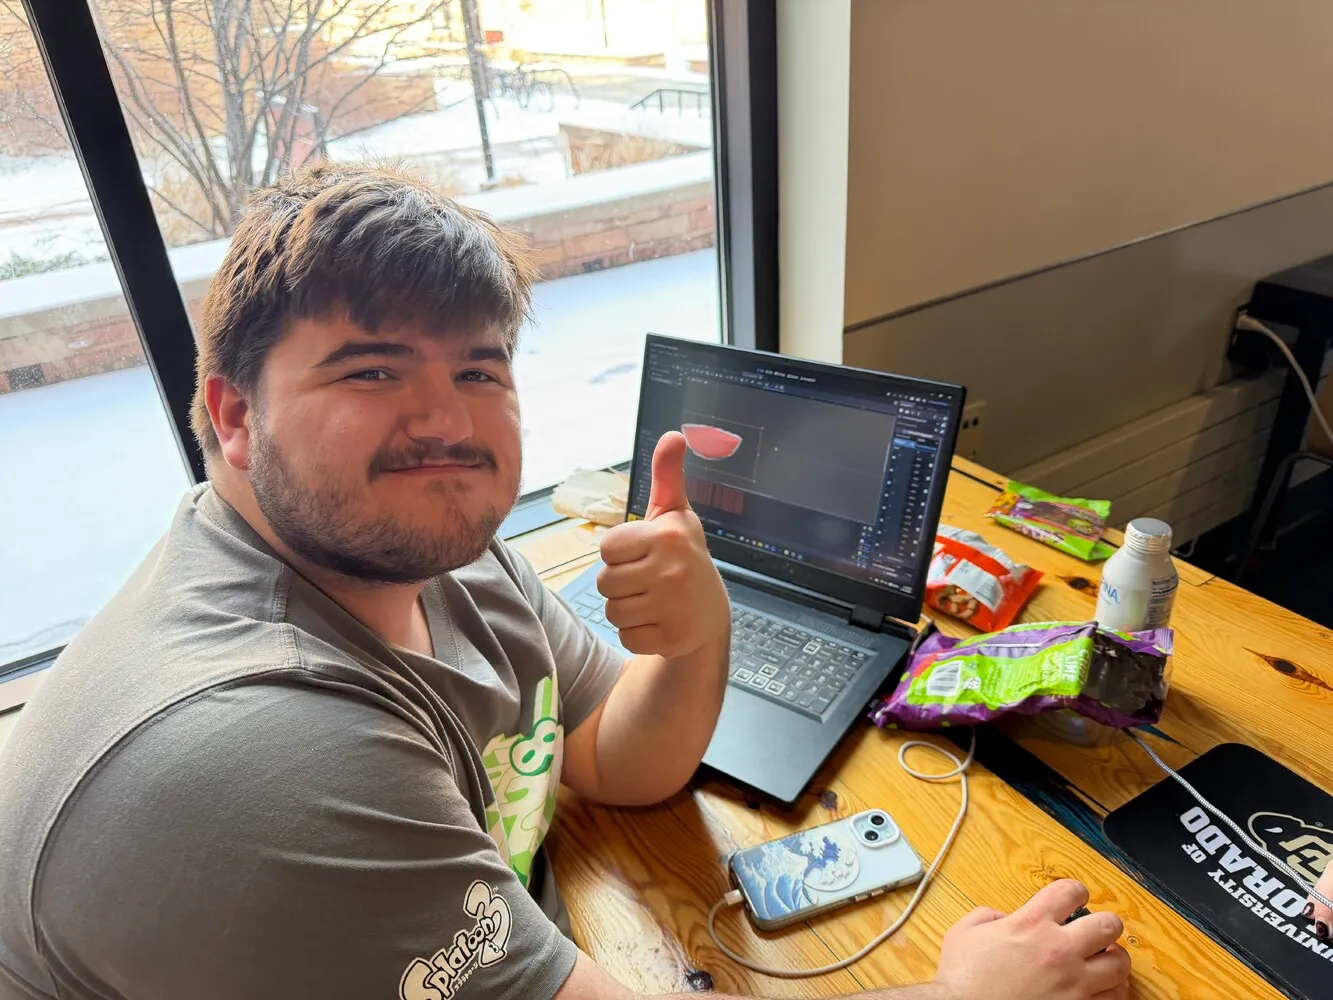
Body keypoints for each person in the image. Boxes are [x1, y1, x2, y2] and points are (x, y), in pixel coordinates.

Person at [0, 162, 1130, 1000]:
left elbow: (614, 762)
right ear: (234, 413)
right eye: (371, 369)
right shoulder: (258, 753)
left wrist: (694, 638)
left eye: (478, 368)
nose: (445, 420)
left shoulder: (439, 555)